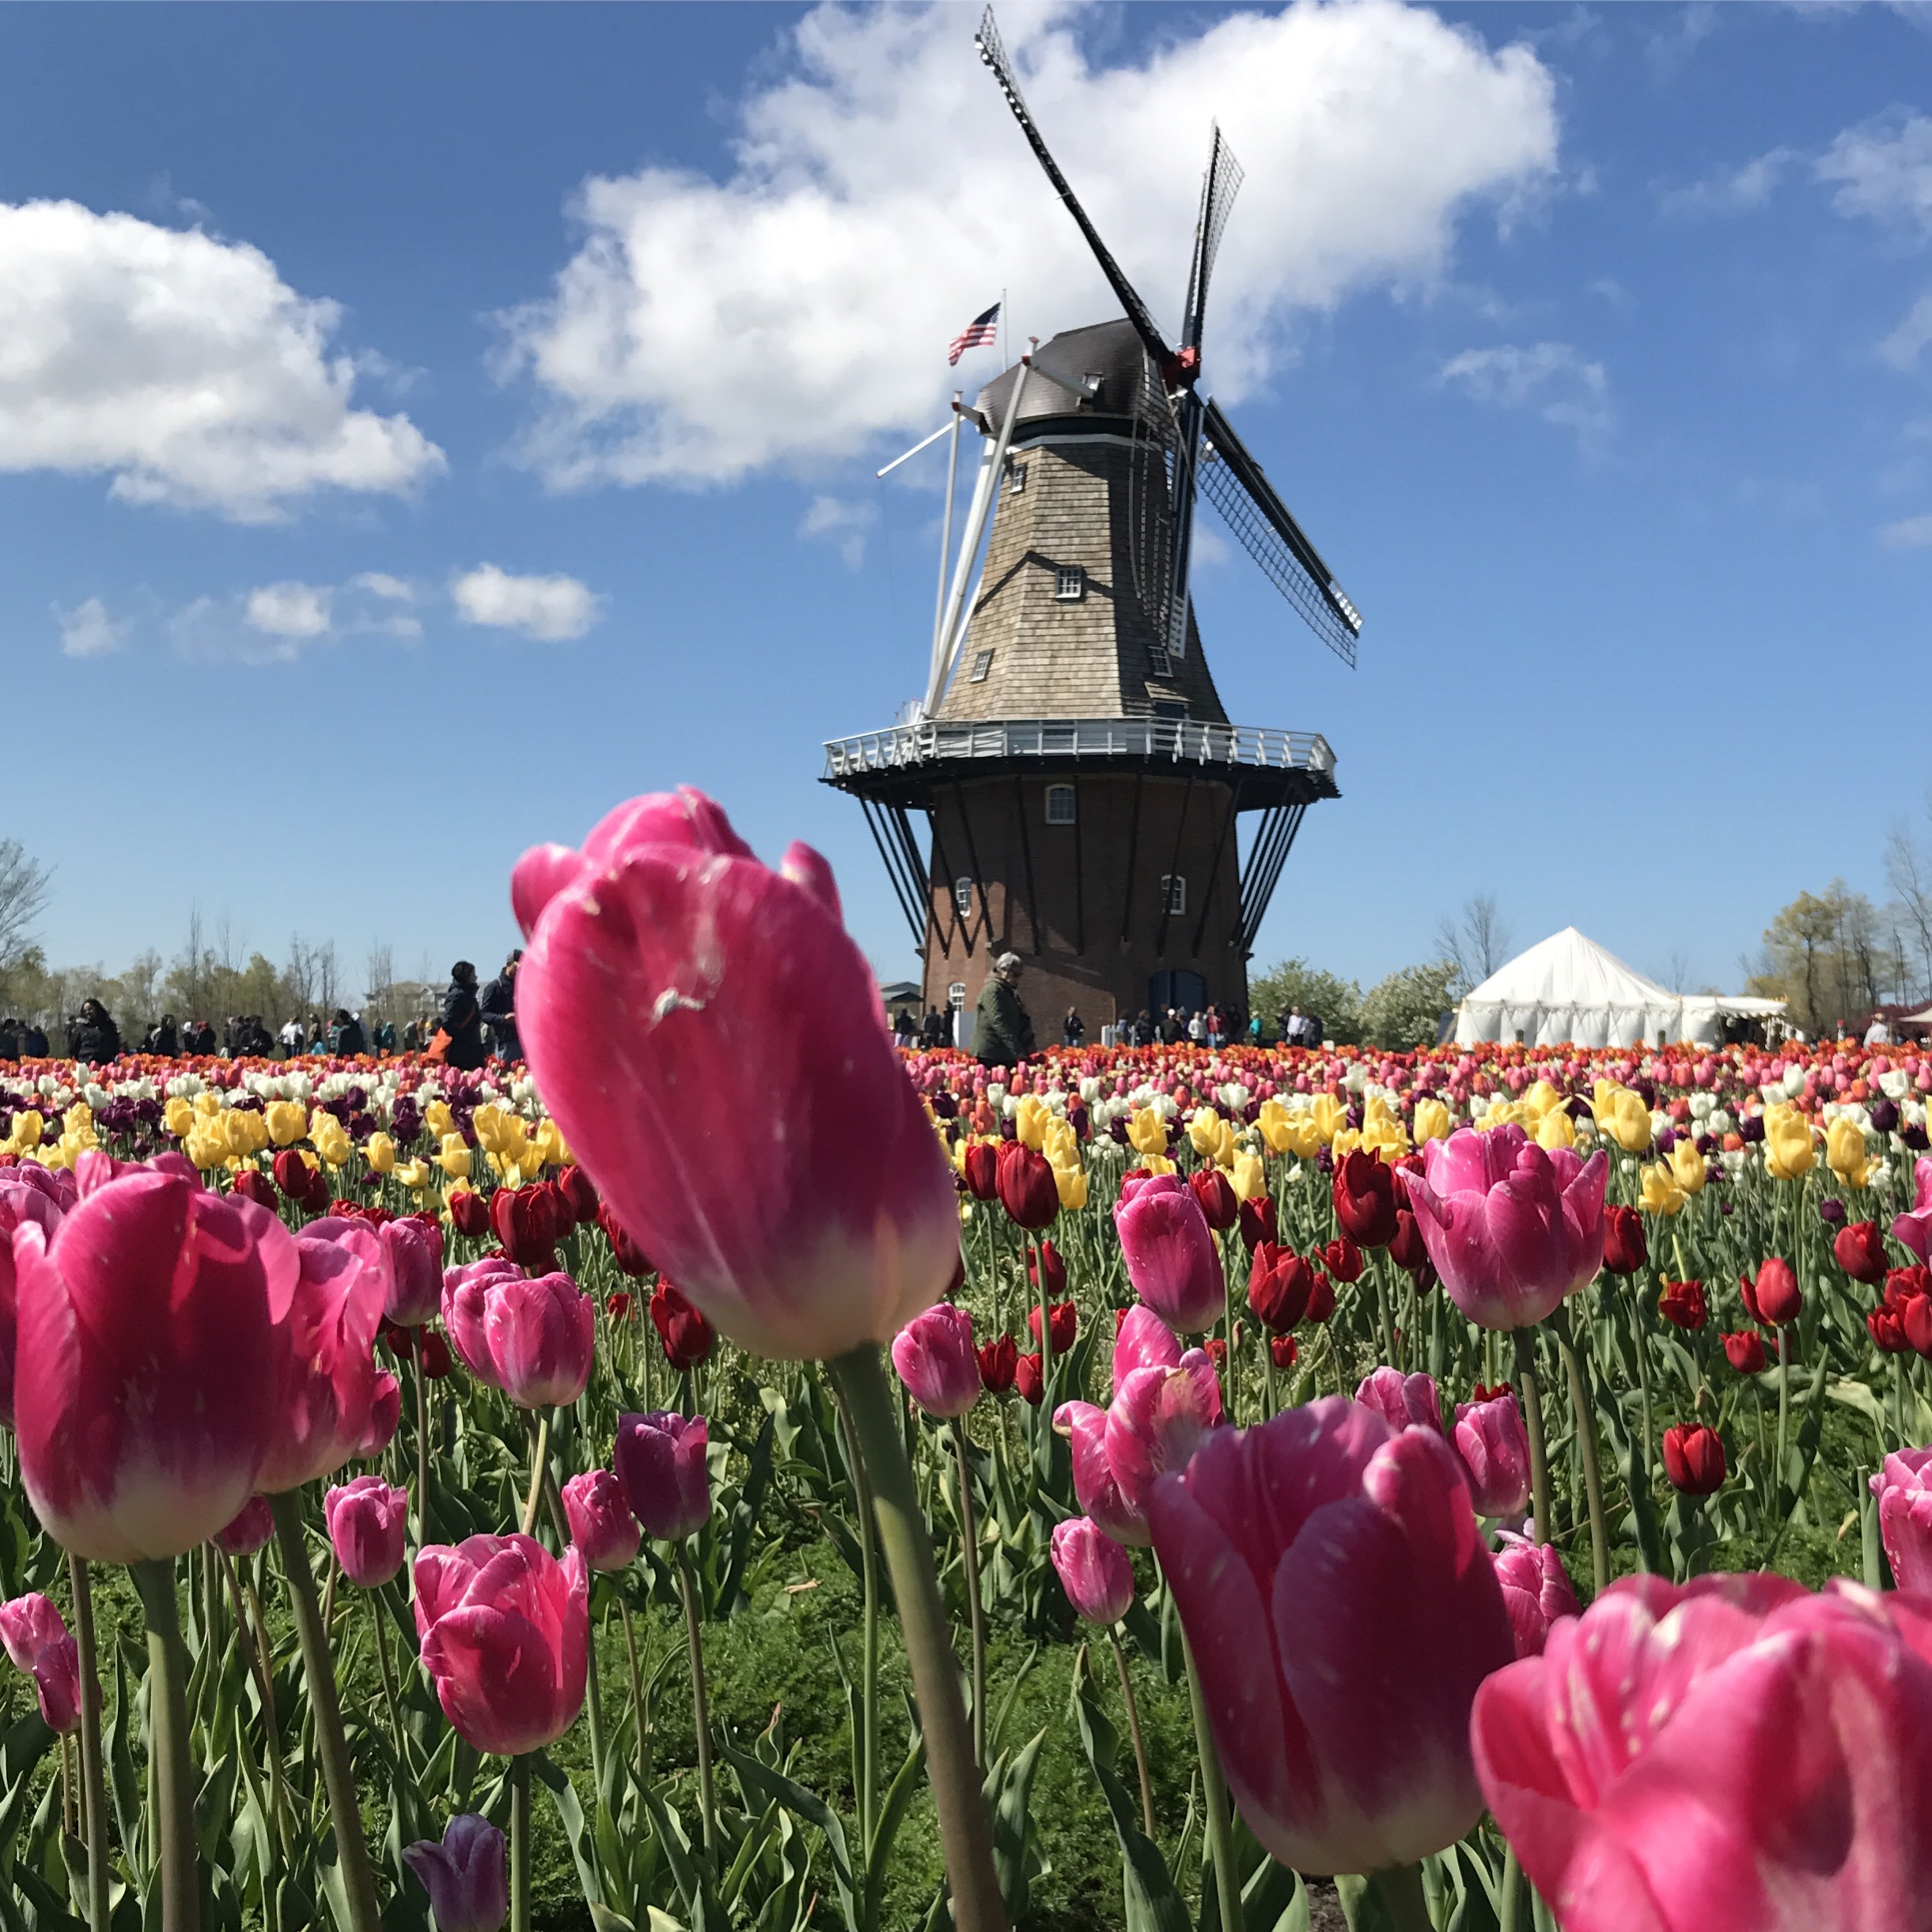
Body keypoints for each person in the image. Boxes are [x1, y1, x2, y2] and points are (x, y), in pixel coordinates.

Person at [973, 953, 1034, 1069]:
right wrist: (1016, 1048)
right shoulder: (992, 989)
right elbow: (998, 1020)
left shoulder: (1007, 991)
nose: (1018, 979)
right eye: (1016, 975)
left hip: (1005, 1051)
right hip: (991, 1052)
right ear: (1004, 971)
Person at [437, 962, 487, 1070]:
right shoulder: (458, 995)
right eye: (473, 974)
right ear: (466, 977)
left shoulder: (467, 994)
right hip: (461, 1053)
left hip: (472, 1050)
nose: (476, 977)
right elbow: (447, 1022)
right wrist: (462, 1037)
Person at [479, 951, 522, 1063]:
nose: (520, 970)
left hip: (525, 1040)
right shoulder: (494, 987)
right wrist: (503, 1018)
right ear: (509, 964)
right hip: (506, 1043)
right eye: (517, 966)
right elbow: (484, 1014)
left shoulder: (522, 985)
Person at [67, 998, 121, 1065]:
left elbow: (115, 1045)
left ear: (97, 1009)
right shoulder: (80, 1028)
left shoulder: (108, 1027)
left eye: (90, 1009)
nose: (87, 1012)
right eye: (85, 1011)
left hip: (105, 1065)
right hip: (85, 1065)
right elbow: (73, 1048)